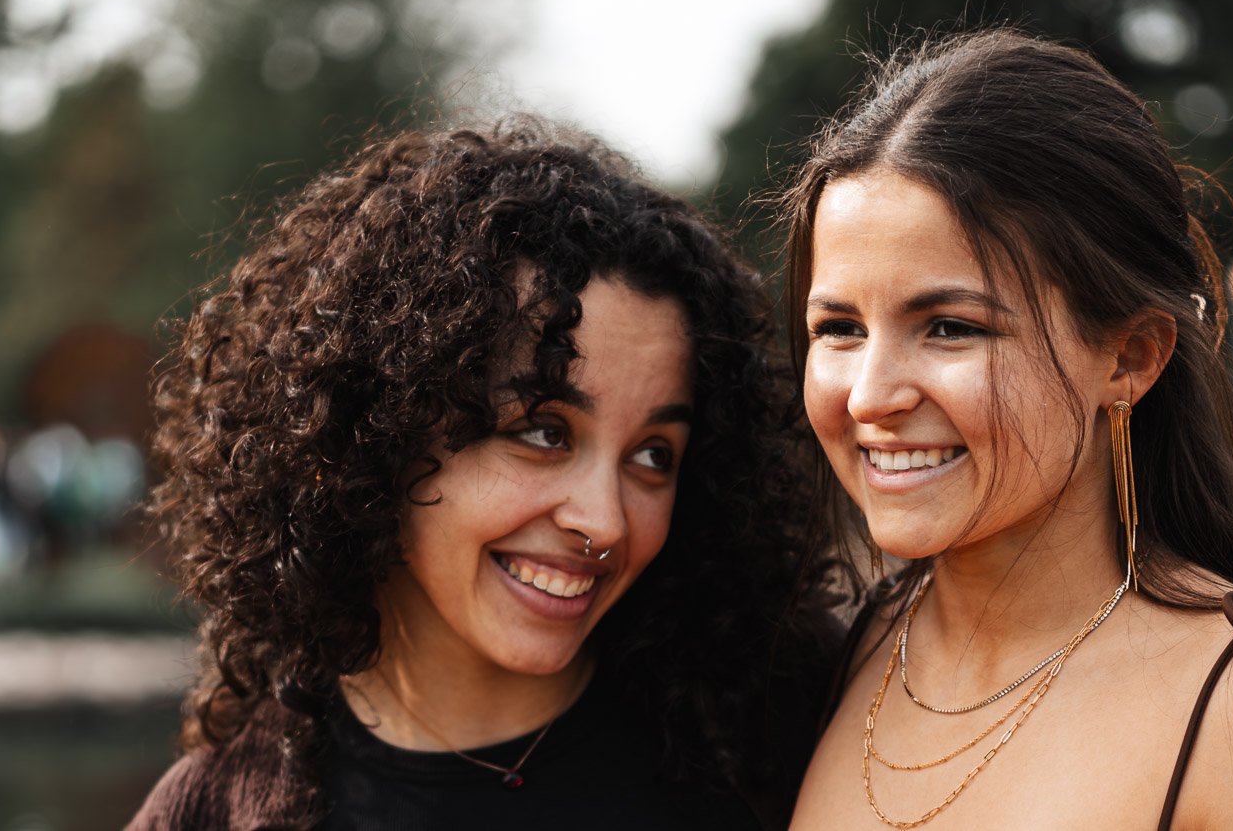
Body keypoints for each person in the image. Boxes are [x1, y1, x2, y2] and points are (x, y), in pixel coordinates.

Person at [128, 120, 843, 831]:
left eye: (654, 454)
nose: (605, 521)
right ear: (381, 426)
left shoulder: (785, 745)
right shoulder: (213, 811)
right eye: (542, 431)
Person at [783, 29, 1233, 829]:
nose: (870, 395)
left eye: (949, 327)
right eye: (839, 327)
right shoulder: (832, 661)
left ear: (1130, 358)